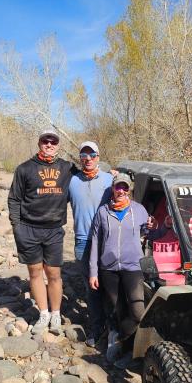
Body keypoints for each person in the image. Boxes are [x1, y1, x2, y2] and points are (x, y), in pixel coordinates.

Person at [89, 173, 169, 361]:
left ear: (130, 190)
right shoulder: (102, 212)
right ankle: (118, 338)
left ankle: (121, 339)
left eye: (125, 188)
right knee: (117, 308)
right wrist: (93, 272)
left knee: (138, 312)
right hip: (108, 268)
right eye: (118, 187)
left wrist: (162, 227)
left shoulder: (139, 210)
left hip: (133, 267)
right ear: (113, 189)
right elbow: (95, 242)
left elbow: (151, 233)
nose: (122, 191)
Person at [8, 129, 77, 333]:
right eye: (45, 141)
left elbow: (90, 171)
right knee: (35, 272)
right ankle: (43, 313)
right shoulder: (24, 169)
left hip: (54, 230)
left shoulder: (67, 168)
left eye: (53, 141)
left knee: (54, 273)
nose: (49, 144)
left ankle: (56, 314)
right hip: (28, 229)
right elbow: (14, 199)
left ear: (58, 145)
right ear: (39, 143)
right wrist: (16, 226)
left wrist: (113, 172)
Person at [68, 141, 113, 346]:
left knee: (111, 284)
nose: (88, 159)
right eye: (84, 156)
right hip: (83, 239)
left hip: (107, 238)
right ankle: (96, 328)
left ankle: (114, 329)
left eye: (92, 155)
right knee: (91, 287)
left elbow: (129, 195)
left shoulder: (110, 179)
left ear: (98, 157)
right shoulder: (71, 181)